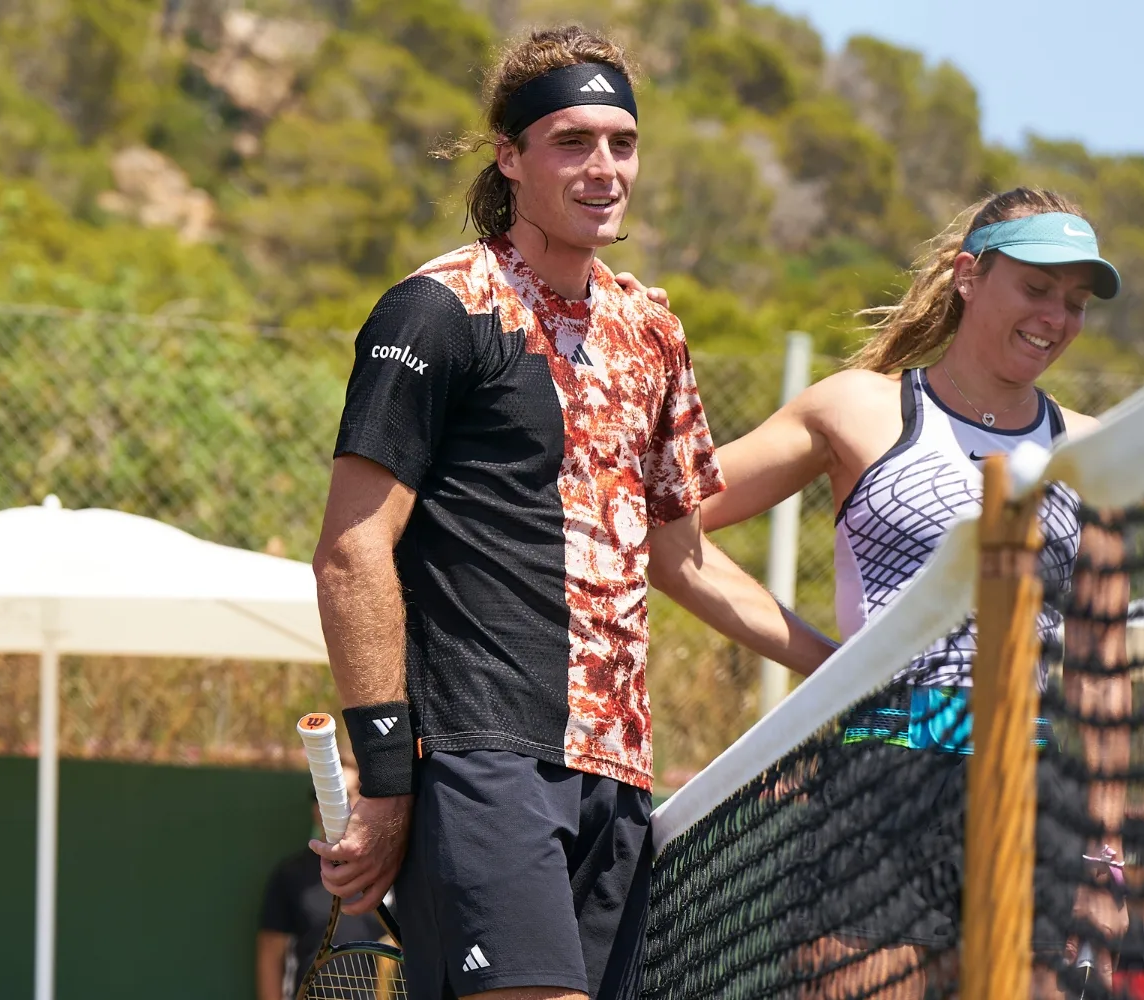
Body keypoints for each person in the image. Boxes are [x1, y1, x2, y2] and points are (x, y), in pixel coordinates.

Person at [310, 24, 836, 1000]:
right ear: (510, 156)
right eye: (571, 141)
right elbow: (351, 551)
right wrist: (386, 778)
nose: (604, 168)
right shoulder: (437, 311)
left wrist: (846, 670)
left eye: (621, 143)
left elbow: (683, 556)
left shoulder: (653, 333)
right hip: (480, 756)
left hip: (621, 777)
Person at [699, 187, 1132, 997]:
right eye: (1037, 288)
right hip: (879, 789)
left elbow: (1103, 671)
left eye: (1074, 303)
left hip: (1034, 799)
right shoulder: (858, 408)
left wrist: (1103, 852)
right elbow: (667, 529)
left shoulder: (1092, 452)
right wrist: (825, 665)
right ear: (970, 275)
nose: (1056, 318)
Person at [257, 765, 386, 1000]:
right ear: (315, 808)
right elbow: (270, 955)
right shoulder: (290, 876)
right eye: (328, 795)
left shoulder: (392, 873)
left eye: (352, 792)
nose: (345, 803)